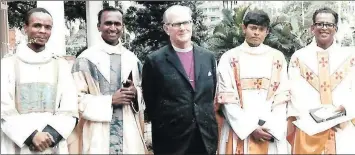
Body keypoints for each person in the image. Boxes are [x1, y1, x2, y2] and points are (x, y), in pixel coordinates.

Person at [142, 5, 218, 155]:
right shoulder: (155, 61)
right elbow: (150, 101)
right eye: (176, 24)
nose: (182, 28)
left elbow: (210, 94)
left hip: (204, 138)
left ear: (192, 24)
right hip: (171, 141)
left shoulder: (208, 57)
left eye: (186, 22)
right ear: (166, 28)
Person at [1, 8, 79, 154]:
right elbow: (4, 109)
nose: (42, 31)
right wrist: (31, 136)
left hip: (52, 144)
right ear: (25, 28)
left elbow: (70, 107)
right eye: (37, 25)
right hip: (18, 144)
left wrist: (50, 135)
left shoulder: (61, 65)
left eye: (47, 27)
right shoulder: (7, 65)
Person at [70, 7, 147, 154]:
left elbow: (144, 93)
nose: (113, 28)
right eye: (108, 23)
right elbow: (75, 100)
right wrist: (110, 100)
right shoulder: (86, 59)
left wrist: (135, 93)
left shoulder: (132, 59)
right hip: (97, 134)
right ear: (99, 26)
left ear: (123, 27)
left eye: (117, 24)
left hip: (129, 132)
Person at [215, 10, 290, 154]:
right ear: (244, 28)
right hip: (238, 130)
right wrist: (250, 127)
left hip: (269, 130)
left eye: (261, 29)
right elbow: (227, 100)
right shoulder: (229, 58)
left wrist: (271, 126)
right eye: (253, 28)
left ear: (267, 31)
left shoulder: (277, 58)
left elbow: (281, 98)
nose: (256, 33)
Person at [287, 7, 355, 154]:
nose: (324, 28)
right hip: (310, 129)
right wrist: (316, 118)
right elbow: (294, 92)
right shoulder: (299, 57)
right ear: (312, 28)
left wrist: (346, 109)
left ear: (335, 28)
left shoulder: (349, 57)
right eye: (320, 24)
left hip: (342, 127)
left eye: (329, 24)